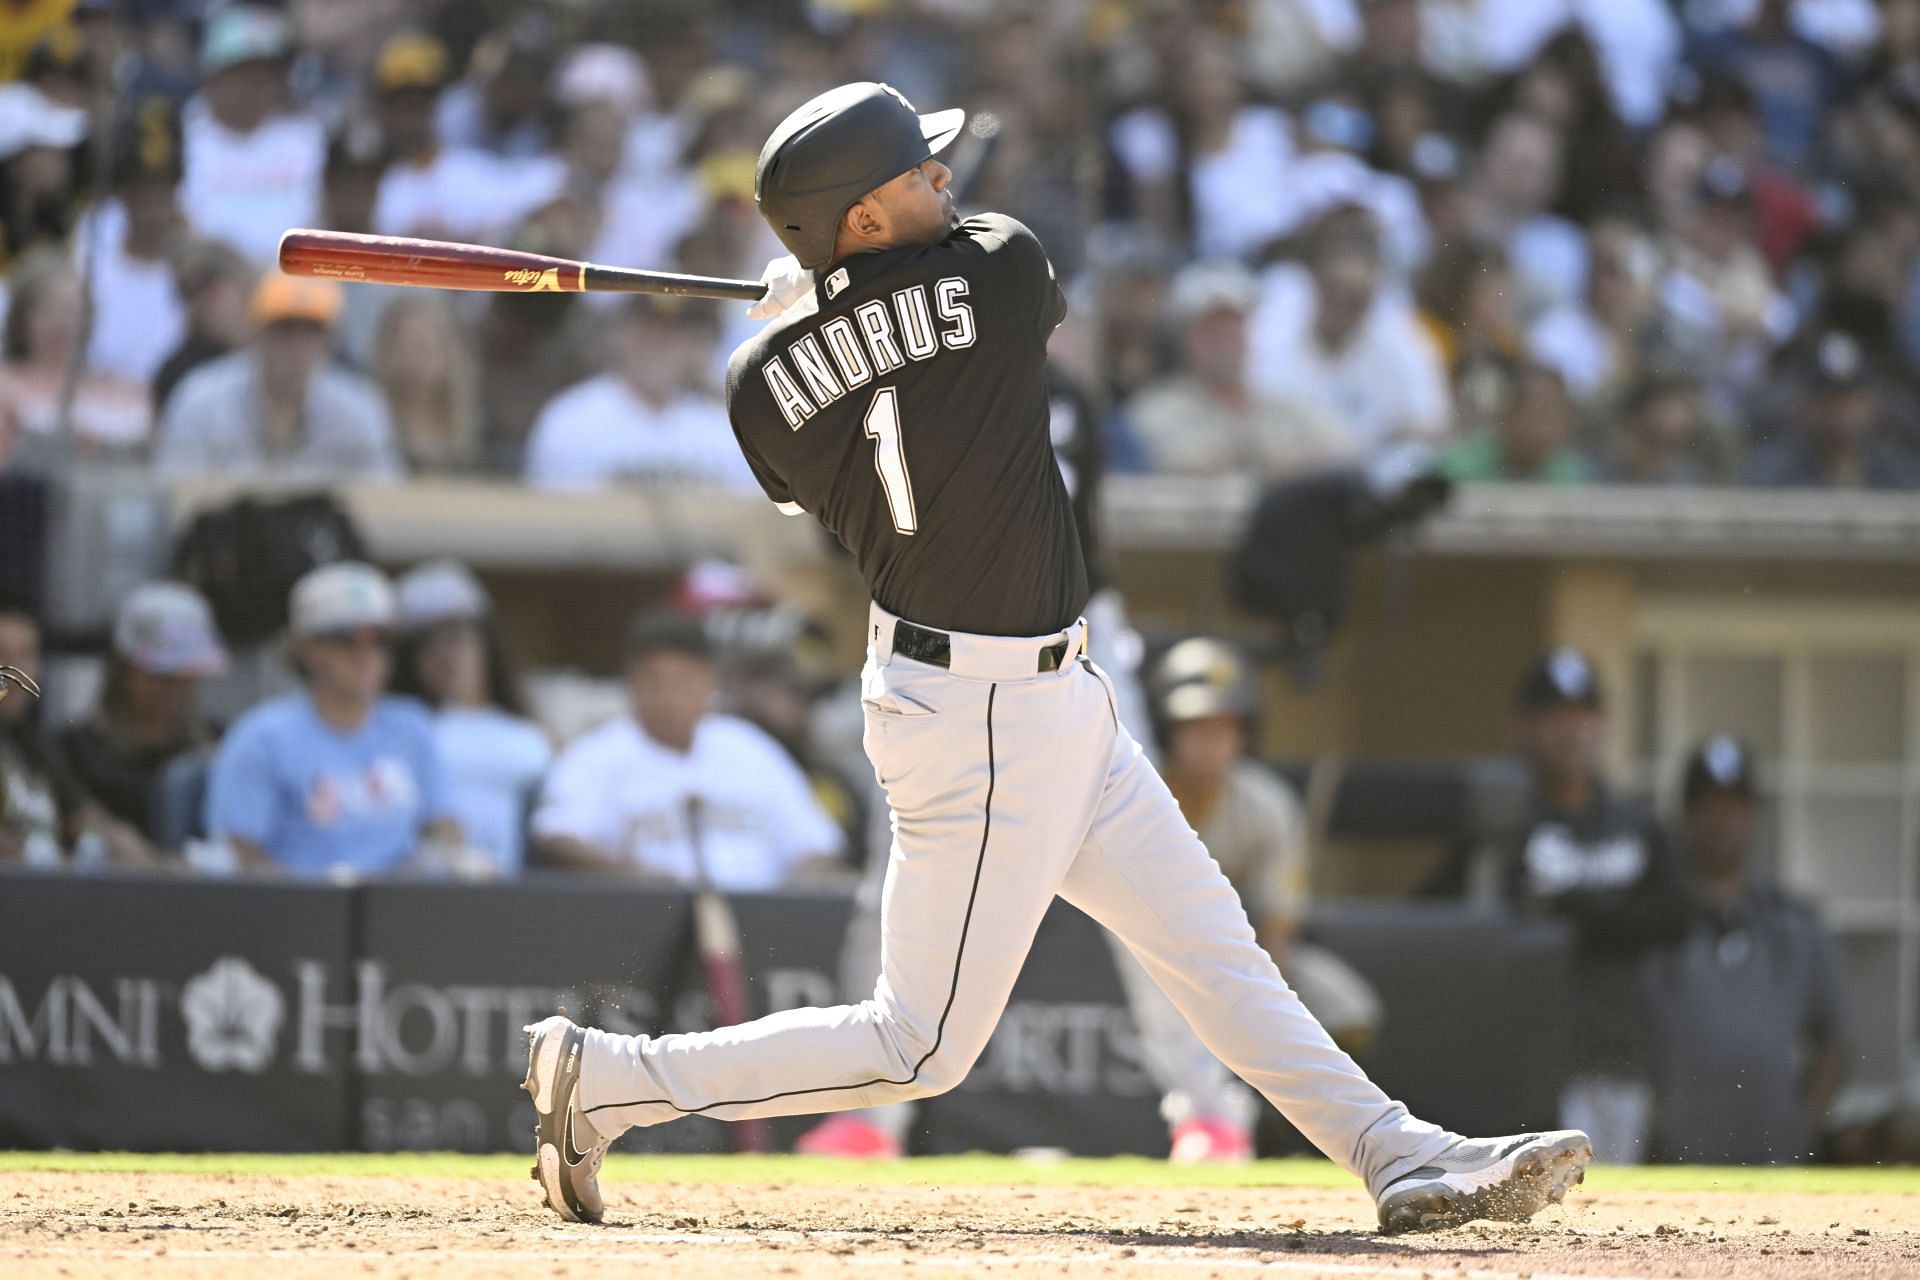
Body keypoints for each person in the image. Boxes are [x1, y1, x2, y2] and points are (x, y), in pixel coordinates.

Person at [522, 81, 1592, 1233]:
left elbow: (811, 414)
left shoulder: (755, 387)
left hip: (1038, 693)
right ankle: (609, 1080)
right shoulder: (998, 270)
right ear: (862, 219)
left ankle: (1396, 1150)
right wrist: (850, 295)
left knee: (1211, 946)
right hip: (978, 711)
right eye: (916, 174)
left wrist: (821, 306)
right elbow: (970, 275)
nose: (945, 178)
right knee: (919, 1041)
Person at [1424, 648, 1688, 1163]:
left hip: (1622, 1052)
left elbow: (1676, 917)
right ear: (1524, 727)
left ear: (1603, 724)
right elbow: (1448, 922)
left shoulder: (1635, 822)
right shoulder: (1502, 823)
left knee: (1623, 1210)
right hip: (1527, 1058)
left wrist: (1569, 911)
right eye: (1555, 718)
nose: (1572, 732)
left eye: (1583, 716)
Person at [1643, 735, 1852, 1164]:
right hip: (1676, 1169)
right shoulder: (1649, 925)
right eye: (1709, 806)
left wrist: (1803, 1124)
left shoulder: (1797, 924)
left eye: (1734, 806)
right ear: (1686, 816)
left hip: (1779, 1165)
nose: (1722, 820)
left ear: (1753, 815)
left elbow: (1838, 1043)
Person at [531, 608, 844, 886]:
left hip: (760, 924)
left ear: (709, 682)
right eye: (655, 682)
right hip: (644, 923)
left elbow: (817, 845)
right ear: (631, 681)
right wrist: (634, 880)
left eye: (684, 682)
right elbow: (558, 837)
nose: (669, 697)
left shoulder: (748, 747)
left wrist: (790, 898)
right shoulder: (597, 753)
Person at [204, 562, 459, 878]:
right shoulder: (262, 735)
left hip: (397, 911)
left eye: (379, 640)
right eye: (346, 640)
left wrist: (431, 865)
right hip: (295, 912)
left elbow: (443, 828)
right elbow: (240, 852)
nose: (365, 656)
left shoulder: (412, 726)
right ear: (308, 649)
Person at [154, 273, 401, 481]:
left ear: (329, 342)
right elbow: (175, 495)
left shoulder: (359, 410)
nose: (297, 345)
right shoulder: (202, 402)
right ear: (256, 333)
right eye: (284, 329)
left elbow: (383, 504)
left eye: (312, 331)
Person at [1246, 209, 1452, 454]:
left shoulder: (1402, 339)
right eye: (1335, 292)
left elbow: (1434, 423)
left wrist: (1392, 435)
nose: (1343, 306)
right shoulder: (1273, 333)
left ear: (1374, 296)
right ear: (1315, 284)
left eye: (1356, 299)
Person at [391, 560, 550, 877]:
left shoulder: (530, 733)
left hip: (508, 896)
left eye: (456, 636)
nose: (445, 654)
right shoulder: (402, 727)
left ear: (485, 639)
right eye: (426, 644)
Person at [47, 582, 226, 851]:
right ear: (123, 669)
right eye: (162, 676)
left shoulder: (221, 745)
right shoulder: (72, 752)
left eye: (187, 676)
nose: (176, 689)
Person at [1127, 261, 1346, 477]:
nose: (1224, 340)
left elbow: (1345, 454)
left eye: (1232, 326)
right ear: (1184, 338)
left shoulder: (1283, 407)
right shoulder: (1154, 412)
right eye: (1210, 329)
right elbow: (1175, 465)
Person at [523, 298, 753, 491]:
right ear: (619, 338)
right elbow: (550, 518)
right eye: (646, 334)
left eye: (669, 337)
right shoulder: (571, 419)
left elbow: (748, 516)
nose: (656, 349)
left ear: (690, 348)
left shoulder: (717, 428)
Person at [176, 6, 324, 265]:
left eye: (265, 73)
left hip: (291, 282)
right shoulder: (183, 136)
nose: (255, 84)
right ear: (213, 75)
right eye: (241, 72)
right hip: (209, 278)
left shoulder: (306, 137)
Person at [0, 247, 153, 466]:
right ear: (20, 318)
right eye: (47, 309)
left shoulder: (123, 390)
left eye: (71, 310)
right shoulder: (5, 386)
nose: (61, 322)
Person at [371, 295, 483, 474]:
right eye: (400, 347)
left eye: (421, 347)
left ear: (447, 355)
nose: (410, 361)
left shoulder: (472, 431)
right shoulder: (367, 422)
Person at [1441, 360, 1594, 485]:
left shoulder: (1573, 475)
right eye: (1537, 414)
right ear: (1507, 413)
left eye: (1553, 415)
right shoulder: (1463, 469)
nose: (1543, 428)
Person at [152, 237, 253, 412]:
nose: (201, 300)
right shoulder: (177, 373)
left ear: (242, 282)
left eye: (208, 283)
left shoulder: (284, 339)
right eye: (187, 291)